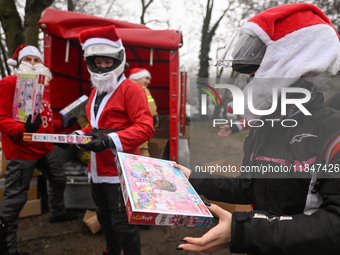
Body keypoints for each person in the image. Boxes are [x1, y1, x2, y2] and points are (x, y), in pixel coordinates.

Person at [176, 3, 340, 254]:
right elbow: (248, 186)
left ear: (292, 68)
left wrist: (243, 230)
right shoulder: (264, 125)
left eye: (256, 73)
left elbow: (335, 224)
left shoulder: (332, 131)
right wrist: (191, 178)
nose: (251, 82)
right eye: (249, 75)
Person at [75, 25, 154, 255]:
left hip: (119, 172)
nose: (101, 66)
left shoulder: (132, 90)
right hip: (97, 171)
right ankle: (111, 251)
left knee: (123, 225)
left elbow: (145, 127)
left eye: (107, 62)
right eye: (97, 62)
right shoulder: (96, 91)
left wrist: (109, 141)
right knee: (104, 218)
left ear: (118, 60)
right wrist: (79, 136)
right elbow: (95, 125)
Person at [0, 45, 78, 255]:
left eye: (37, 60)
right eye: (29, 60)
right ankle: (7, 247)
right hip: (21, 151)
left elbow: (43, 118)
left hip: (44, 148)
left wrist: (64, 125)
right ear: (19, 64)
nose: (33, 64)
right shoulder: (8, 83)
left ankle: (57, 213)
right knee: (15, 198)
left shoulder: (43, 85)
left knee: (58, 179)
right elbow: (2, 119)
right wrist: (23, 128)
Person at [129, 67, 158, 156]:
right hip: (139, 135)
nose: (148, 82)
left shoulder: (125, 88)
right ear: (137, 77)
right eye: (146, 78)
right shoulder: (142, 90)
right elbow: (152, 113)